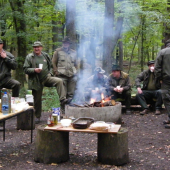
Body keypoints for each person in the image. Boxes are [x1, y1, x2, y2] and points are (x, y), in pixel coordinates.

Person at [23, 41, 67, 123]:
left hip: (47, 78)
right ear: (33, 48)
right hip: (36, 81)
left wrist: (50, 73)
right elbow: (25, 69)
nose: (37, 48)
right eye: (35, 47)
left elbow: (50, 66)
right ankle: (37, 116)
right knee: (37, 100)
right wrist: (34, 70)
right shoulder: (30, 57)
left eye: (38, 47)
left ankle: (62, 99)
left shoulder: (45, 55)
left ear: (41, 47)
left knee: (59, 81)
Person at [52, 36, 78, 101]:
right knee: (63, 96)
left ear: (69, 44)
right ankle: (63, 110)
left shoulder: (73, 52)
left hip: (71, 76)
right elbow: (53, 62)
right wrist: (55, 71)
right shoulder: (58, 51)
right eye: (64, 43)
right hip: (61, 76)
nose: (65, 44)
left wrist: (76, 72)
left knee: (71, 94)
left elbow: (76, 64)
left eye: (67, 43)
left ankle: (70, 109)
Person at [155, 39, 170, 128]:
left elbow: (157, 67)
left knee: (167, 98)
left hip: (166, 79)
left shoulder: (163, 52)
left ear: (166, 45)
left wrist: (159, 78)